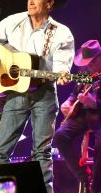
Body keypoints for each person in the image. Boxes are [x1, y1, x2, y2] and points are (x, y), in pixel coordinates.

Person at [0, 0, 75, 193]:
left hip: (45, 94)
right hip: (16, 93)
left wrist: (63, 73)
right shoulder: (13, 21)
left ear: (50, 3)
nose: (31, 1)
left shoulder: (62, 32)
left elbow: (62, 65)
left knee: (42, 151)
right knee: (0, 151)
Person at [54, 40, 101, 193]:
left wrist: (94, 103)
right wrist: (67, 103)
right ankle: (84, 176)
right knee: (60, 136)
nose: (89, 66)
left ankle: (96, 185)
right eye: (87, 63)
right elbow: (74, 93)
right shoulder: (84, 72)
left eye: (92, 62)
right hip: (83, 114)